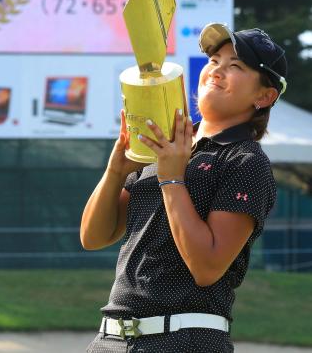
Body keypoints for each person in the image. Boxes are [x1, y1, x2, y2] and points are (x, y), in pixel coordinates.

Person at [80, 23, 288, 352]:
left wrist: (171, 178)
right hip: (112, 339)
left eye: (235, 66)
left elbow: (207, 267)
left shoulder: (245, 161)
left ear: (264, 96)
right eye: (214, 61)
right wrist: (115, 170)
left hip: (184, 338)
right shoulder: (165, 148)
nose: (217, 70)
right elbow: (94, 237)